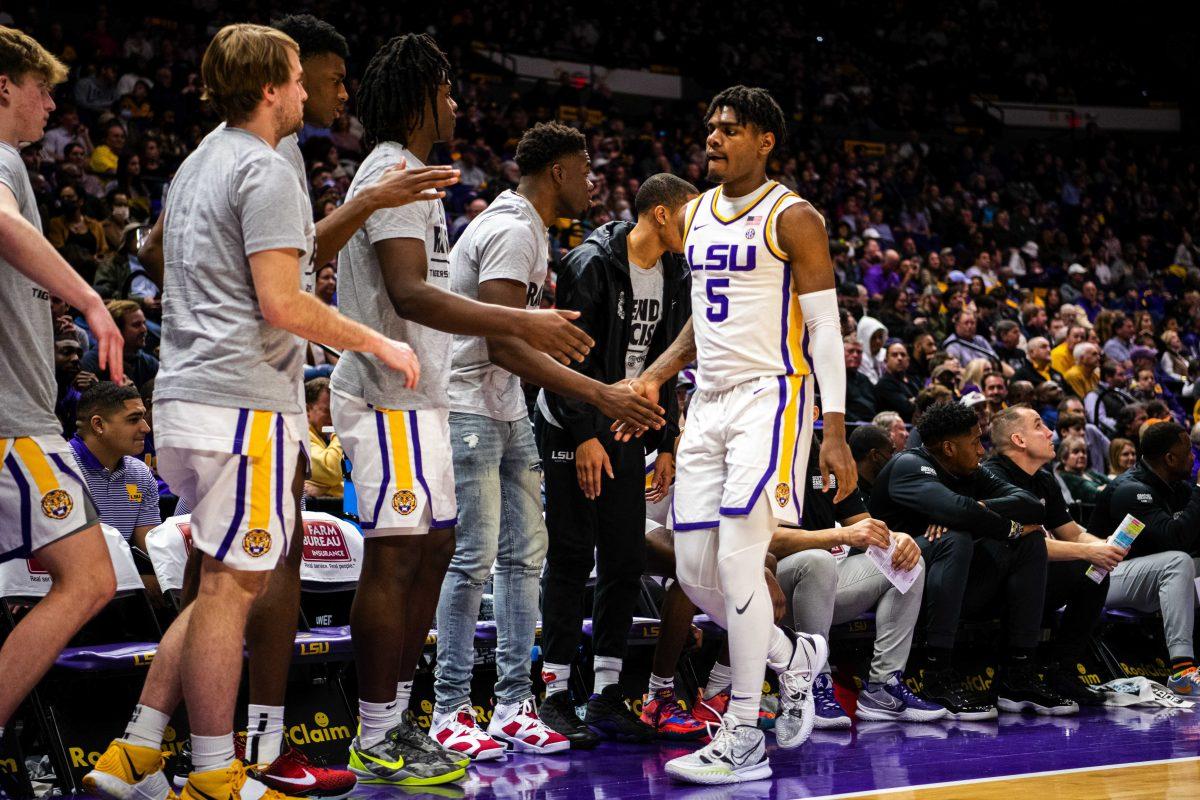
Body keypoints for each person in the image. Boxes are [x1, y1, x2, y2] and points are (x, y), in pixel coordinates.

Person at [83, 25, 423, 800]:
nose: (307, 92)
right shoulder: (266, 168)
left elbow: (162, 256)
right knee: (234, 595)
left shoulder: (200, 158)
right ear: (270, 86)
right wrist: (374, 343)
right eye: (299, 78)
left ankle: (132, 751)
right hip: (242, 410)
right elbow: (283, 302)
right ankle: (212, 774)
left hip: (186, 400)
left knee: (218, 590)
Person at [329, 37, 614, 773]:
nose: (457, 105)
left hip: (422, 396)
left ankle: (402, 719)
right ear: (421, 93)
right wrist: (524, 322)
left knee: (435, 554)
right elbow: (409, 293)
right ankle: (379, 730)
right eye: (448, 92)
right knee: (399, 563)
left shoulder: (415, 176)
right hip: (389, 394)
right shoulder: (394, 168)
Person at [615, 85, 851, 784]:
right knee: (696, 570)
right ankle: (794, 659)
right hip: (707, 402)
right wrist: (657, 374)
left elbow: (825, 330)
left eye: (732, 129)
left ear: (766, 141)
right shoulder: (693, 215)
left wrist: (832, 430)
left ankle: (745, 731)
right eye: (712, 127)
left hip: (771, 399)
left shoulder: (796, 218)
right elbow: (702, 319)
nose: (714, 138)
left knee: (742, 563)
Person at [434, 119, 663, 759]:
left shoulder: (530, 231)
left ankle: (512, 705)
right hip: (472, 408)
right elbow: (504, 344)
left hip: (510, 412)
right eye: (585, 168)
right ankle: (450, 708)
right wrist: (595, 392)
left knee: (522, 562)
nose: (593, 181)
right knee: (475, 559)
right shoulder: (510, 230)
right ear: (559, 171)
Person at [536, 174, 696, 747]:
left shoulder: (678, 272)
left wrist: (668, 442)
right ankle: (552, 694)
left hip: (628, 426)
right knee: (573, 554)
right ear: (659, 214)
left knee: (626, 557)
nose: (695, 225)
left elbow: (668, 363)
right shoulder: (590, 263)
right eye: (688, 214)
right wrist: (583, 434)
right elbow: (564, 355)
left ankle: (606, 694)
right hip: (572, 421)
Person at [0, 25, 125, 760]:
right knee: (90, 577)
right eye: (41, 87)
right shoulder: (4, 159)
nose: (52, 102)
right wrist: (91, 298)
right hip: (14, 419)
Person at [869, 401, 1076, 719]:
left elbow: (1032, 505)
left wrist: (974, 507)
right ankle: (936, 677)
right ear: (949, 447)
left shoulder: (971, 472)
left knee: (1032, 540)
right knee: (956, 537)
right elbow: (957, 512)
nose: (982, 451)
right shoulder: (909, 465)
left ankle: (1016, 676)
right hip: (897, 584)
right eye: (975, 442)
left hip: (953, 585)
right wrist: (1005, 526)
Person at [773, 440, 943, 729]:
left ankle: (882, 687)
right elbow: (766, 539)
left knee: (906, 561)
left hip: (820, 587)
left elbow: (866, 527)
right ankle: (812, 683)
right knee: (817, 559)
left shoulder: (826, 458)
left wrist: (897, 538)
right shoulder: (764, 455)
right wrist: (841, 536)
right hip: (768, 586)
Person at [982, 407, 1120, 705]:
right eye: (1039, 425)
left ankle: (1062, 669)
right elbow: (1029, 546)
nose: (1050, 432)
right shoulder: (993, 477)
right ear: (1019, 439)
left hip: (1029, 579)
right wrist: (1091, 551)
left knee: (1093, 574)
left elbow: (1071, 532)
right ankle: (1015, 674)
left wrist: (1105, 546)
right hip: (990, 580)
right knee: (1071, 562)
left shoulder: (1043, 479)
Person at [1088, 422, 1200, 696]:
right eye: (1188, 452)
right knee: (1177, 561)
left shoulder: (1175, 486)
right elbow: (1174, 539)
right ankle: (1183, 670)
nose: (1194, 457)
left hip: (1149, 577)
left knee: (1177, 562)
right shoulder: (1130, 490)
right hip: (1100, 576)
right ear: (1170, 458)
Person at [69, 382, 159, 546]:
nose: (146, 428)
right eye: (133, 419)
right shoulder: (59, 468)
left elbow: (151, 556)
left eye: (143, 417)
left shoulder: (140, 474)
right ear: (98, 425)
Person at [80, 299, 158, 391]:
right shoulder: (90, 363)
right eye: (136, 325)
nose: (144, 330)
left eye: (144, 323)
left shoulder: (150, 363)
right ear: (116, 330)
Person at [302, 378, 342, 502]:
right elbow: (332, 470)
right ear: (307, 410)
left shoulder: (323, 436)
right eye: (327, 411)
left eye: (337, 412)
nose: (333, 418)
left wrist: (325, 489)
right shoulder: (299, 435)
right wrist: (341, 432)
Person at [943, 309, 1007, 376]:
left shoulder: (980, 340)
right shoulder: (952, 345)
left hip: (989, 375)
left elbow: (995, 360)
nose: (970, 326)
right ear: (957, 325)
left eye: (972, 323)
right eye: (966, 323)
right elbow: (956, 370)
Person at [873, 341, 921, 422]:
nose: (899, 358)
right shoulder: (884, 384)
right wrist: (915, 401)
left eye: (903, 355)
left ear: (908, 360)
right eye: (894, 355)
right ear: (886, 360)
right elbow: (907, 408)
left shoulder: (914, 380)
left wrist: (913, 401)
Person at [849, 423, 895, 503]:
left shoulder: (883, 486)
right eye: (891, 452)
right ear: (874, 455)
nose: (894, 458)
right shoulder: (848, 495)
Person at [844, 335, 877, 423]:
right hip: (850, 425)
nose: (855, 355)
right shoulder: (834, 378)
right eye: (851, 351)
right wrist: (856, 421)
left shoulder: (864, 379)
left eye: (859, 352)